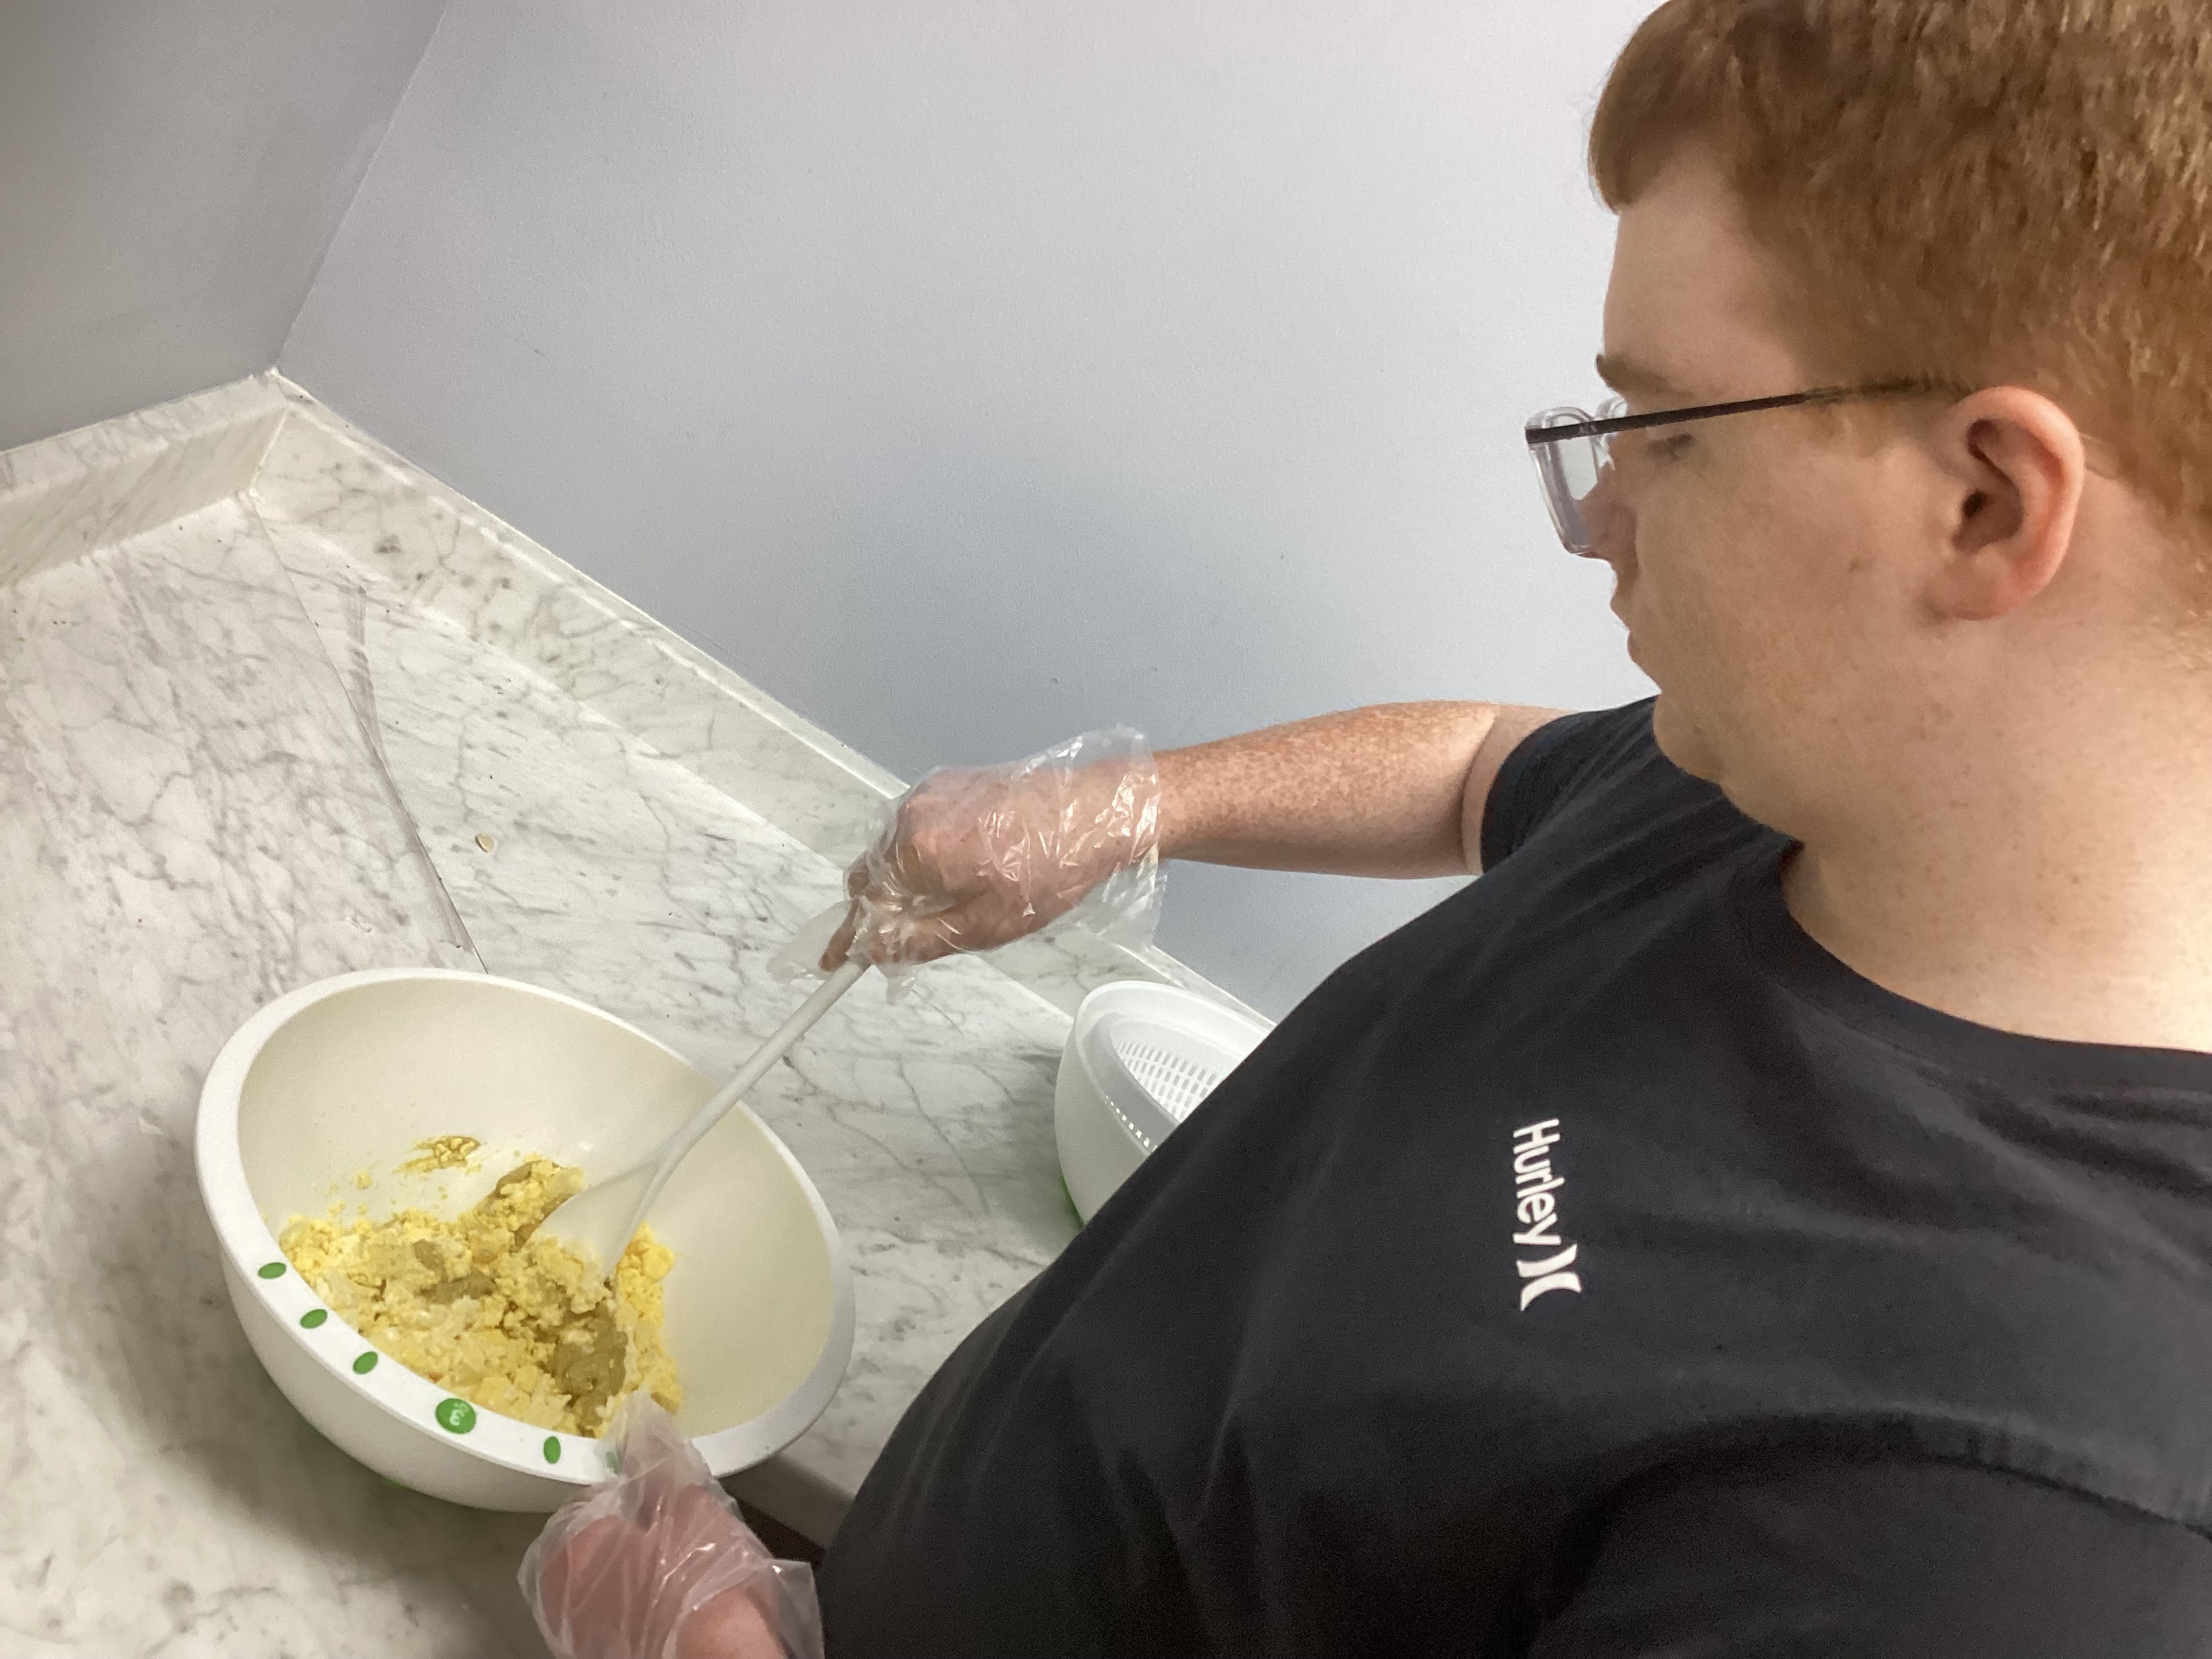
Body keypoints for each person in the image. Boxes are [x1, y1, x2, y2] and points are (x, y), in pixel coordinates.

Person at [539, 0, 2212, 1652]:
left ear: (1984, 503)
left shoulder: (1991, 1532)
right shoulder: (1789, 790)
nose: (1599, 519)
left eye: (1669, 434)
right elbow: (1486, 769)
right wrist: (1124, 808)